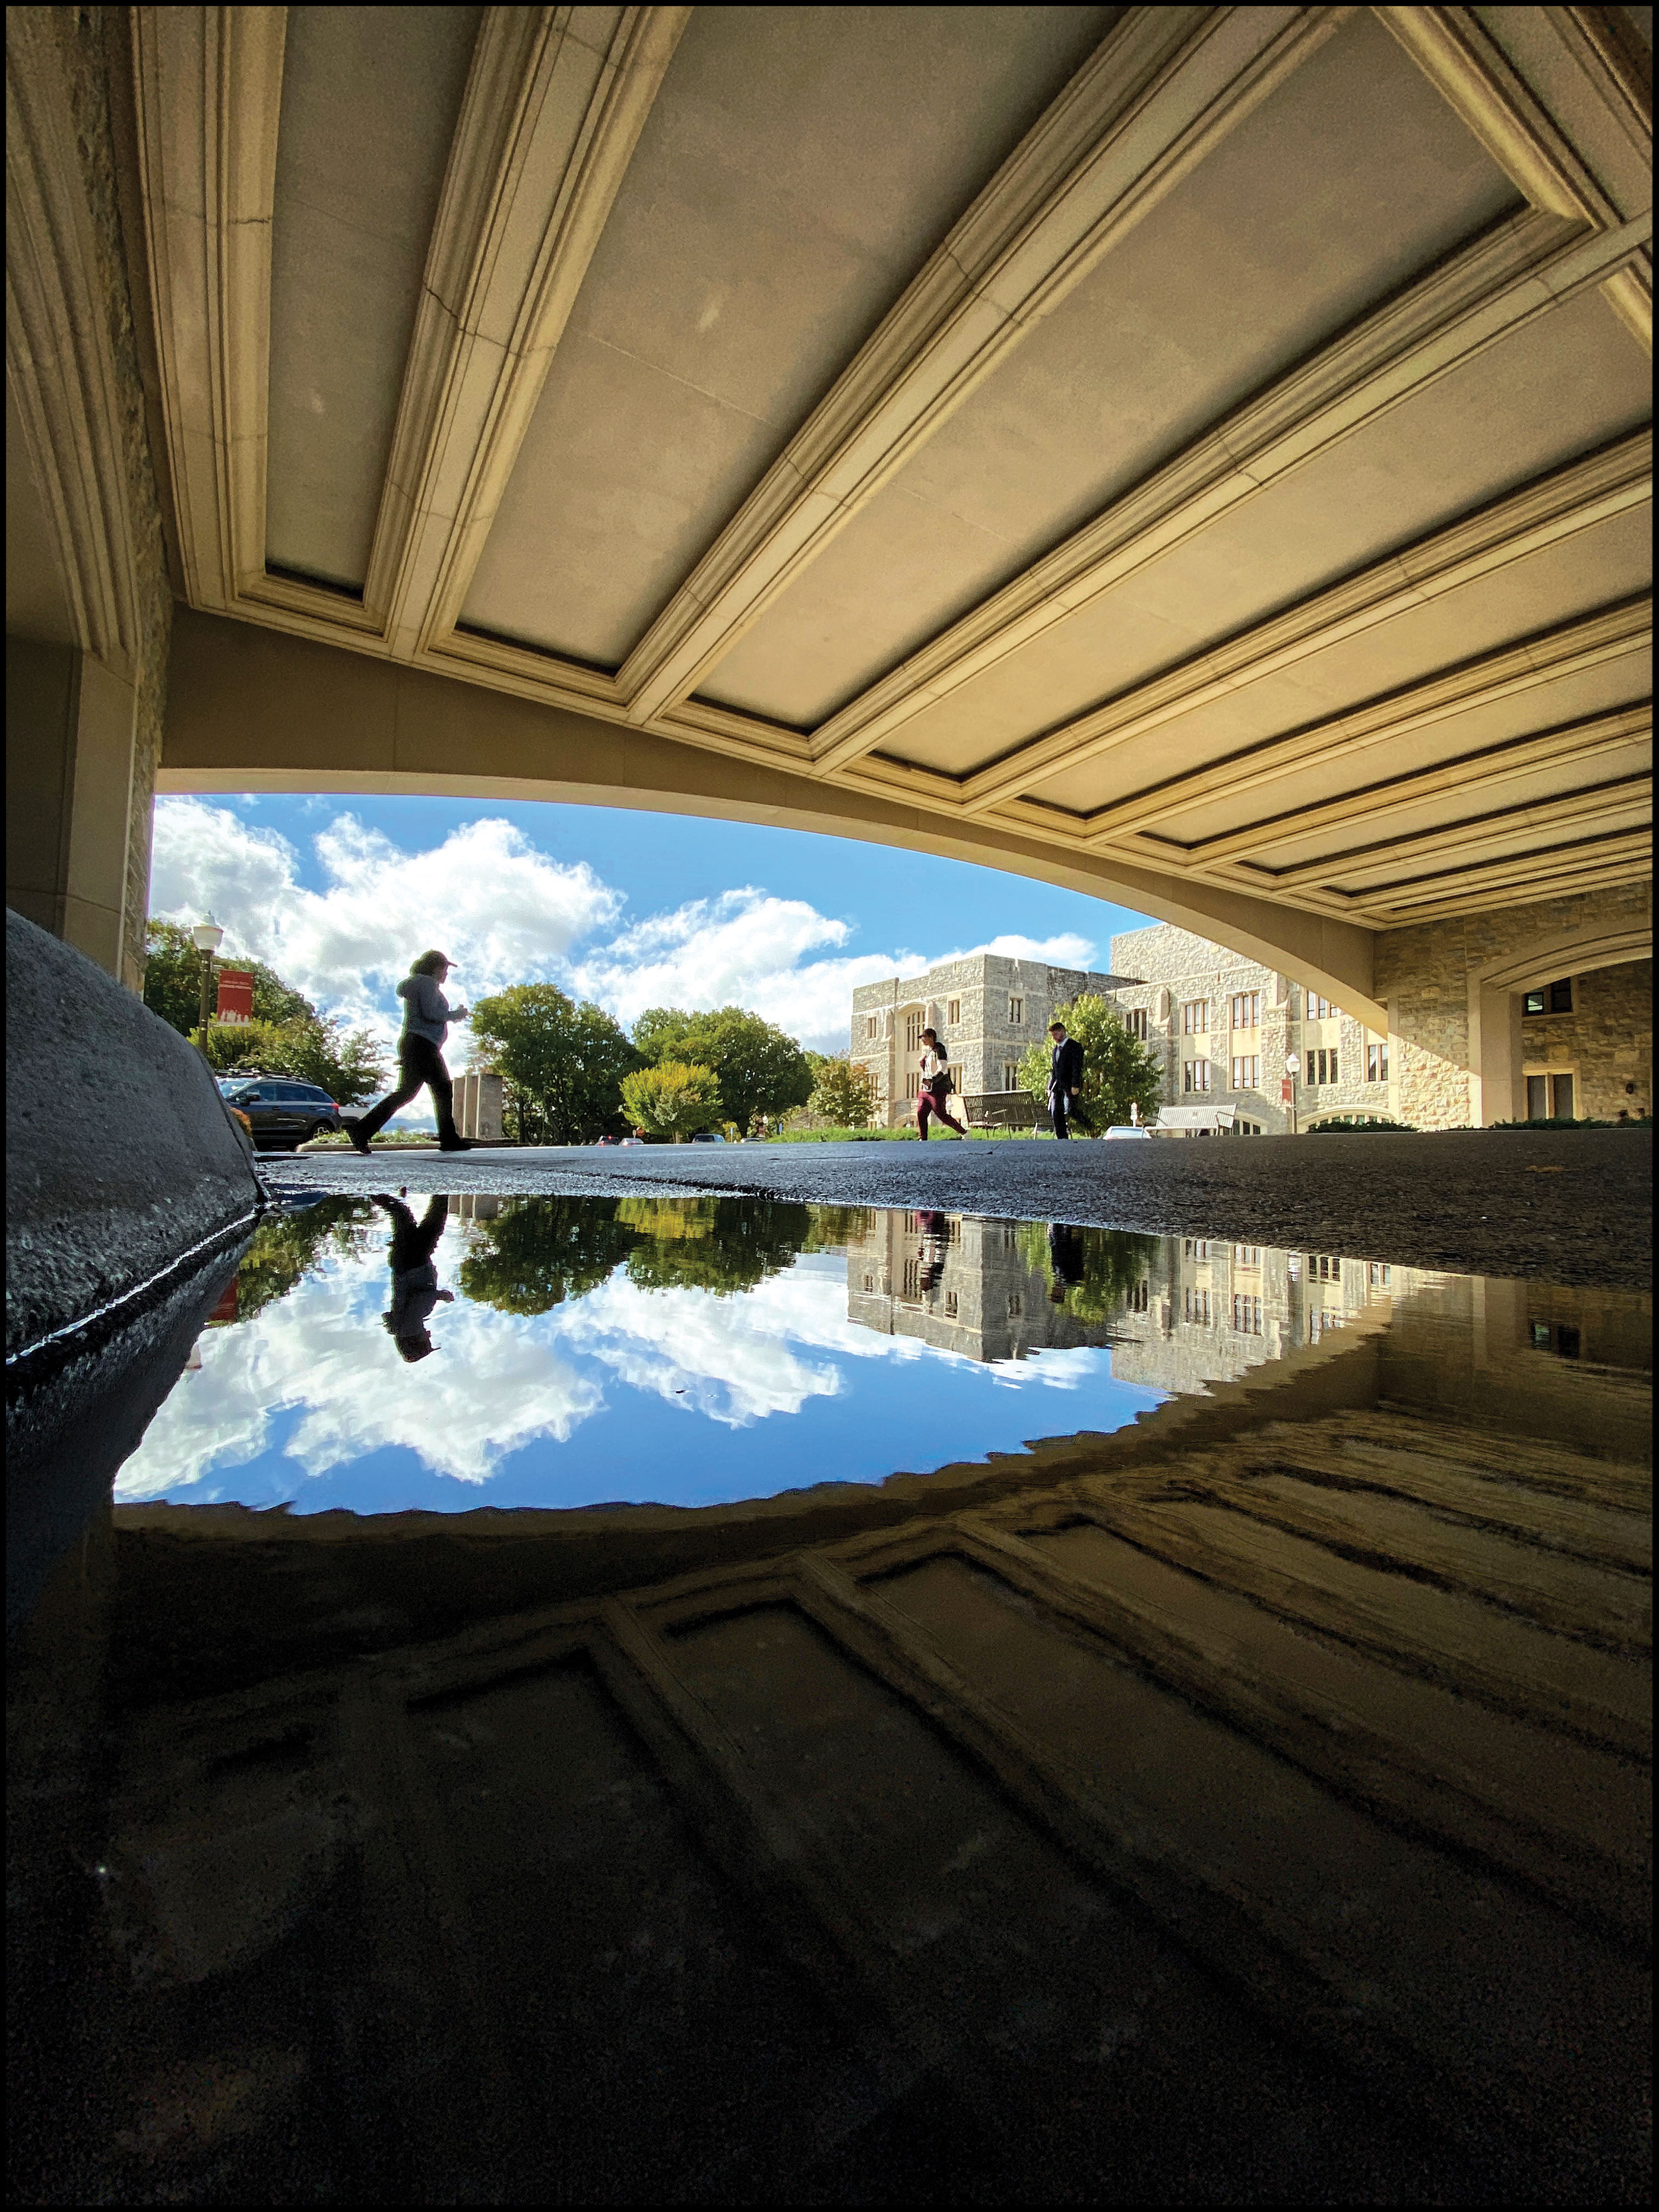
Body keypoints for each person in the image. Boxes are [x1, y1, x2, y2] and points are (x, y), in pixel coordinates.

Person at [348, 950, 473, 1153]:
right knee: (442, 1088)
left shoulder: (420, 984)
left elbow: (431, 1013)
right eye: (444, 969)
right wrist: (456, 1014)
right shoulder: (426, 984)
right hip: (422, 1043)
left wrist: (450, 1016)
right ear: (435, 968)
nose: (446, 974)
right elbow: (431, 1013)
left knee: (406, 1093)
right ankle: (449, 1139)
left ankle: (361, 1131)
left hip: (414, 1043)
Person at [372, 1193, 451, 1362]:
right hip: (404, 1262)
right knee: (401, 1215)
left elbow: (417, 1298)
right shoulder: (401, 1325)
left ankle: (442, 1187)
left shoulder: (409, 1327)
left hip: (414, 1262)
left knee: (434, 1224)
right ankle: (370, 1190)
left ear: (416, 1341)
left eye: (427, 1341)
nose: (429, 1335)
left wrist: (440, 1295)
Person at [914, 1027, 968, 1140]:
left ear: (931, 1037)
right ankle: (923, 1138)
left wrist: (933, 1079)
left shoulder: (939, 1049)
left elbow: (943, 1068)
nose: (922, 1040)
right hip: (925, 1089)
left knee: (941, 1114)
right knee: (921, 1113)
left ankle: (964, 1133)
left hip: (937, 1088)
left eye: (924, 1037)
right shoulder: (929, 1051)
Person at [1047, 1019, 1095, 1140]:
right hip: (1058, 1086)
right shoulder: (1055, 1050)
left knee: (1072, 1110)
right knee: (1056, 1111)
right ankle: (1062, 1137)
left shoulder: (1075, 1047)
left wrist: (1075, 1085)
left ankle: (1092, 1127)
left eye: (1056, 1034)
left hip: (1070, 1084)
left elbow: (1076, 1067)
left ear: (1063, 1031)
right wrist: (1050, 1086)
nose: (1055, 1038)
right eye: (1053, 1036)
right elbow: (1054, 1070)